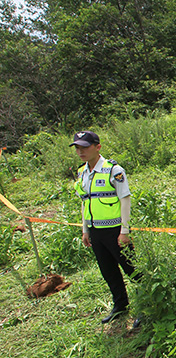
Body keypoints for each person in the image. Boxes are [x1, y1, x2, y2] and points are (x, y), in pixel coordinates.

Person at [71, 131, 140, 325]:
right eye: (78, 148)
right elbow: (85, 201)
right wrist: (85, 229)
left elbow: (125, 199)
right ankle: (120, 305)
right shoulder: (82, 172)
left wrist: (124, 231)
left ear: (97, 147)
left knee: (133, 270)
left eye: (85, 147)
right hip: (95, 231)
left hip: (115, 231)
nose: (81, 151)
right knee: (108, 271)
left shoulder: (113, 170)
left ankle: (146, 306)